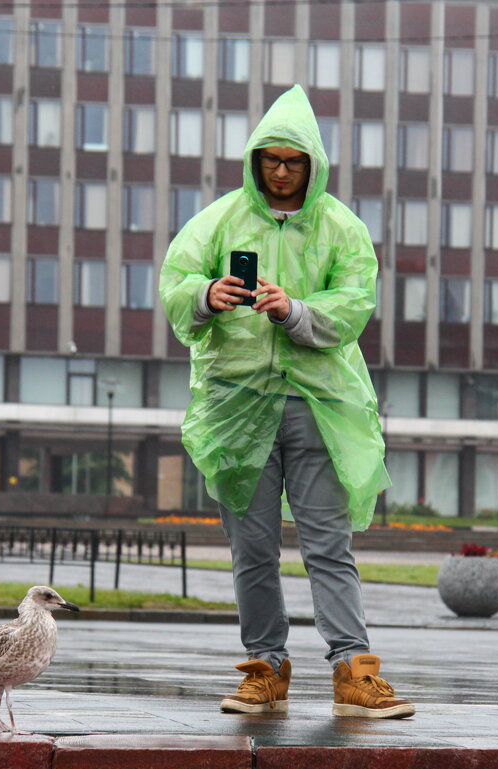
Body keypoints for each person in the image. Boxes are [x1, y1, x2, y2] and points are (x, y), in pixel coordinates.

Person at [159, 85, 413, 719]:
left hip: (317, 406)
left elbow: (355, 303)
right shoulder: (218, 220)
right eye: (269, 160)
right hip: (238, 407)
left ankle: (354, 669)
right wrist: (205, 293)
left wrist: (295, 310)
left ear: (312, 165)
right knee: (253, 546)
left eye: (292, 162)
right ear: (254, 161)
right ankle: (264, 667)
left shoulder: (339, 227)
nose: (279, 172)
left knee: (327, 542)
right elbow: (174, 279)